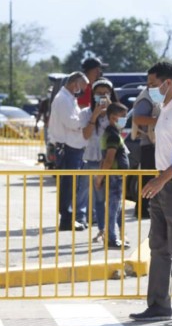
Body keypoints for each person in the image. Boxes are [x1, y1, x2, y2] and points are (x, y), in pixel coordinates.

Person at [129, 62, 172, 320]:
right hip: (161, 182)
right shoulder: (164, 108)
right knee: (158, 245)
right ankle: (159, 305)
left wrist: (163, 179)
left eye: (154, 85)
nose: (150, 89)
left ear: (169, 83)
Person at [48, 71, 90, 231]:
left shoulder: (69, 99)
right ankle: (66, 219)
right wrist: (86, 119)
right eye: (83, 87)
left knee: (72, 184)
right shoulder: (63, 99)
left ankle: (68, 218)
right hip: (67, 148)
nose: (83, 90)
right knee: (68, 184)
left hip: (72, 147)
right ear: (75, 83)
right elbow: (72, 123)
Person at [78, 78, 114, 240]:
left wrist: (111, 112)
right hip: (93, 159)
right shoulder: (85, 113)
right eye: (99, 93)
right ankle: (101, 229)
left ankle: (114, 232)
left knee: (114, 197)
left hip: (113, 160)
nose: (102, 96)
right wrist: (95, 115)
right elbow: (86, 135)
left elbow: (121, 131)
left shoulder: (117, 111)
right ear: (93, 95)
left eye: (105, 93)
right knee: (98, 197)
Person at [94, 102, 131, 249]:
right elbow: (109, 159)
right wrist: (100, 177)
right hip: (114, 177)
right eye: (122, 116)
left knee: (115, 208)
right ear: (112, 117)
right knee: (113, 209)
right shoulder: (113, 136)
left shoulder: (110, 133)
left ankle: (114, 236)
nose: (125, 119)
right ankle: (111, 238)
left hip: (114, 177)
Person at [131, 87, 159, 219]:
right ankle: (142, 209)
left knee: (152, 178)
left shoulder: (159, 96)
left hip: (157, 145)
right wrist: (161, 121)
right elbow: (138, 119)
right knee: (148, 178)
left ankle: (146, 208)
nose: (152, 84)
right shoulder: (147, 97)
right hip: (150, 145)